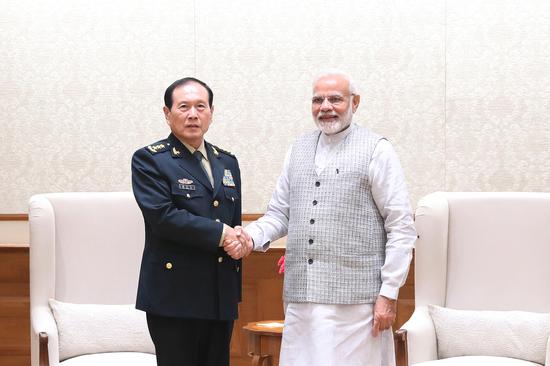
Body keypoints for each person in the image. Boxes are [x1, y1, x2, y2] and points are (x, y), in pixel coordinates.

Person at [241, 70, 417, 365]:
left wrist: (388, 294)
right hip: (302, 300)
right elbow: (280, 213)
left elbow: (400, 226)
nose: (325, 106)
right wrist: (249, 237)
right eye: (317, 99)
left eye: (335, 99)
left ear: (355, 102)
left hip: (357, 303)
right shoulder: (297, 149)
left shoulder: (378, 149)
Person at [131, 77, 250, 366]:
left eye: (201, 106)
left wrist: (240, 241)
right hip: (174, 296)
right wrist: (223, 234)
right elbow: (163, 218)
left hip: (220, 292)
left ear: (211, 112)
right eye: (183, 106)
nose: (193, 114)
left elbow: (233, 221)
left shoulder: (227, 161)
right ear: (167, 113)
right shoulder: (150, 160)